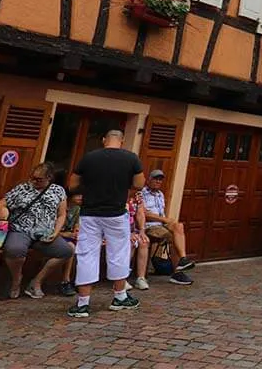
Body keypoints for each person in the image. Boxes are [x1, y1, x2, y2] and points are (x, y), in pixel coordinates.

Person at [67, 130, 145, 317]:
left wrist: (88, 188)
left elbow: (72, 185)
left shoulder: (89, 158)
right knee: (119, 253)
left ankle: (83, 303)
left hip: (90, 213)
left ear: (104, 140)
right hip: (116, 213)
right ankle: (120, 297)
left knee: (87, 254)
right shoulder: (131, 158)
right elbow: (139, 184)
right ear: (122, 141)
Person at [0, 162, 73, 300]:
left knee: (66, 251)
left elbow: (61, 214)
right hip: (21, 229)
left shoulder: (58, 191)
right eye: (33, 178)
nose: (34, 181)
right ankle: (17, 279)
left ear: (49, 177)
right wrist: (3, 210)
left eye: (39, 179)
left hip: (45, 232)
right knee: (14, 250)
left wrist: (56, 232)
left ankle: (36, 281)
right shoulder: (22, 188)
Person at [141, 169, 195, 284]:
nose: (158, 181)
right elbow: (144, 213)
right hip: (149, 226)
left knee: (178, 227)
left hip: (161, 225)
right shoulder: (142, 193)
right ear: (149, 179)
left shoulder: (160, 194)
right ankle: (178, 272)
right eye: (155, 178)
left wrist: (168, 222)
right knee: (174, 237)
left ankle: (183, 260)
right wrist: (165, 220)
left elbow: (162, 213)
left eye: (160, 179)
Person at [57, 188, 82, 296]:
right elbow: (49, 229)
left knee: (84, 247)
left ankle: (80, 280)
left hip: (70, 236)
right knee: (71, 247)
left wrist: (77, 230)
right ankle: (65, 280)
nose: (81, 198)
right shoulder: (59, 207)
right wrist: (65, 234)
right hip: (58, 236)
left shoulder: (77, 208)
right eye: (78, 195)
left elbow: (77, 224)